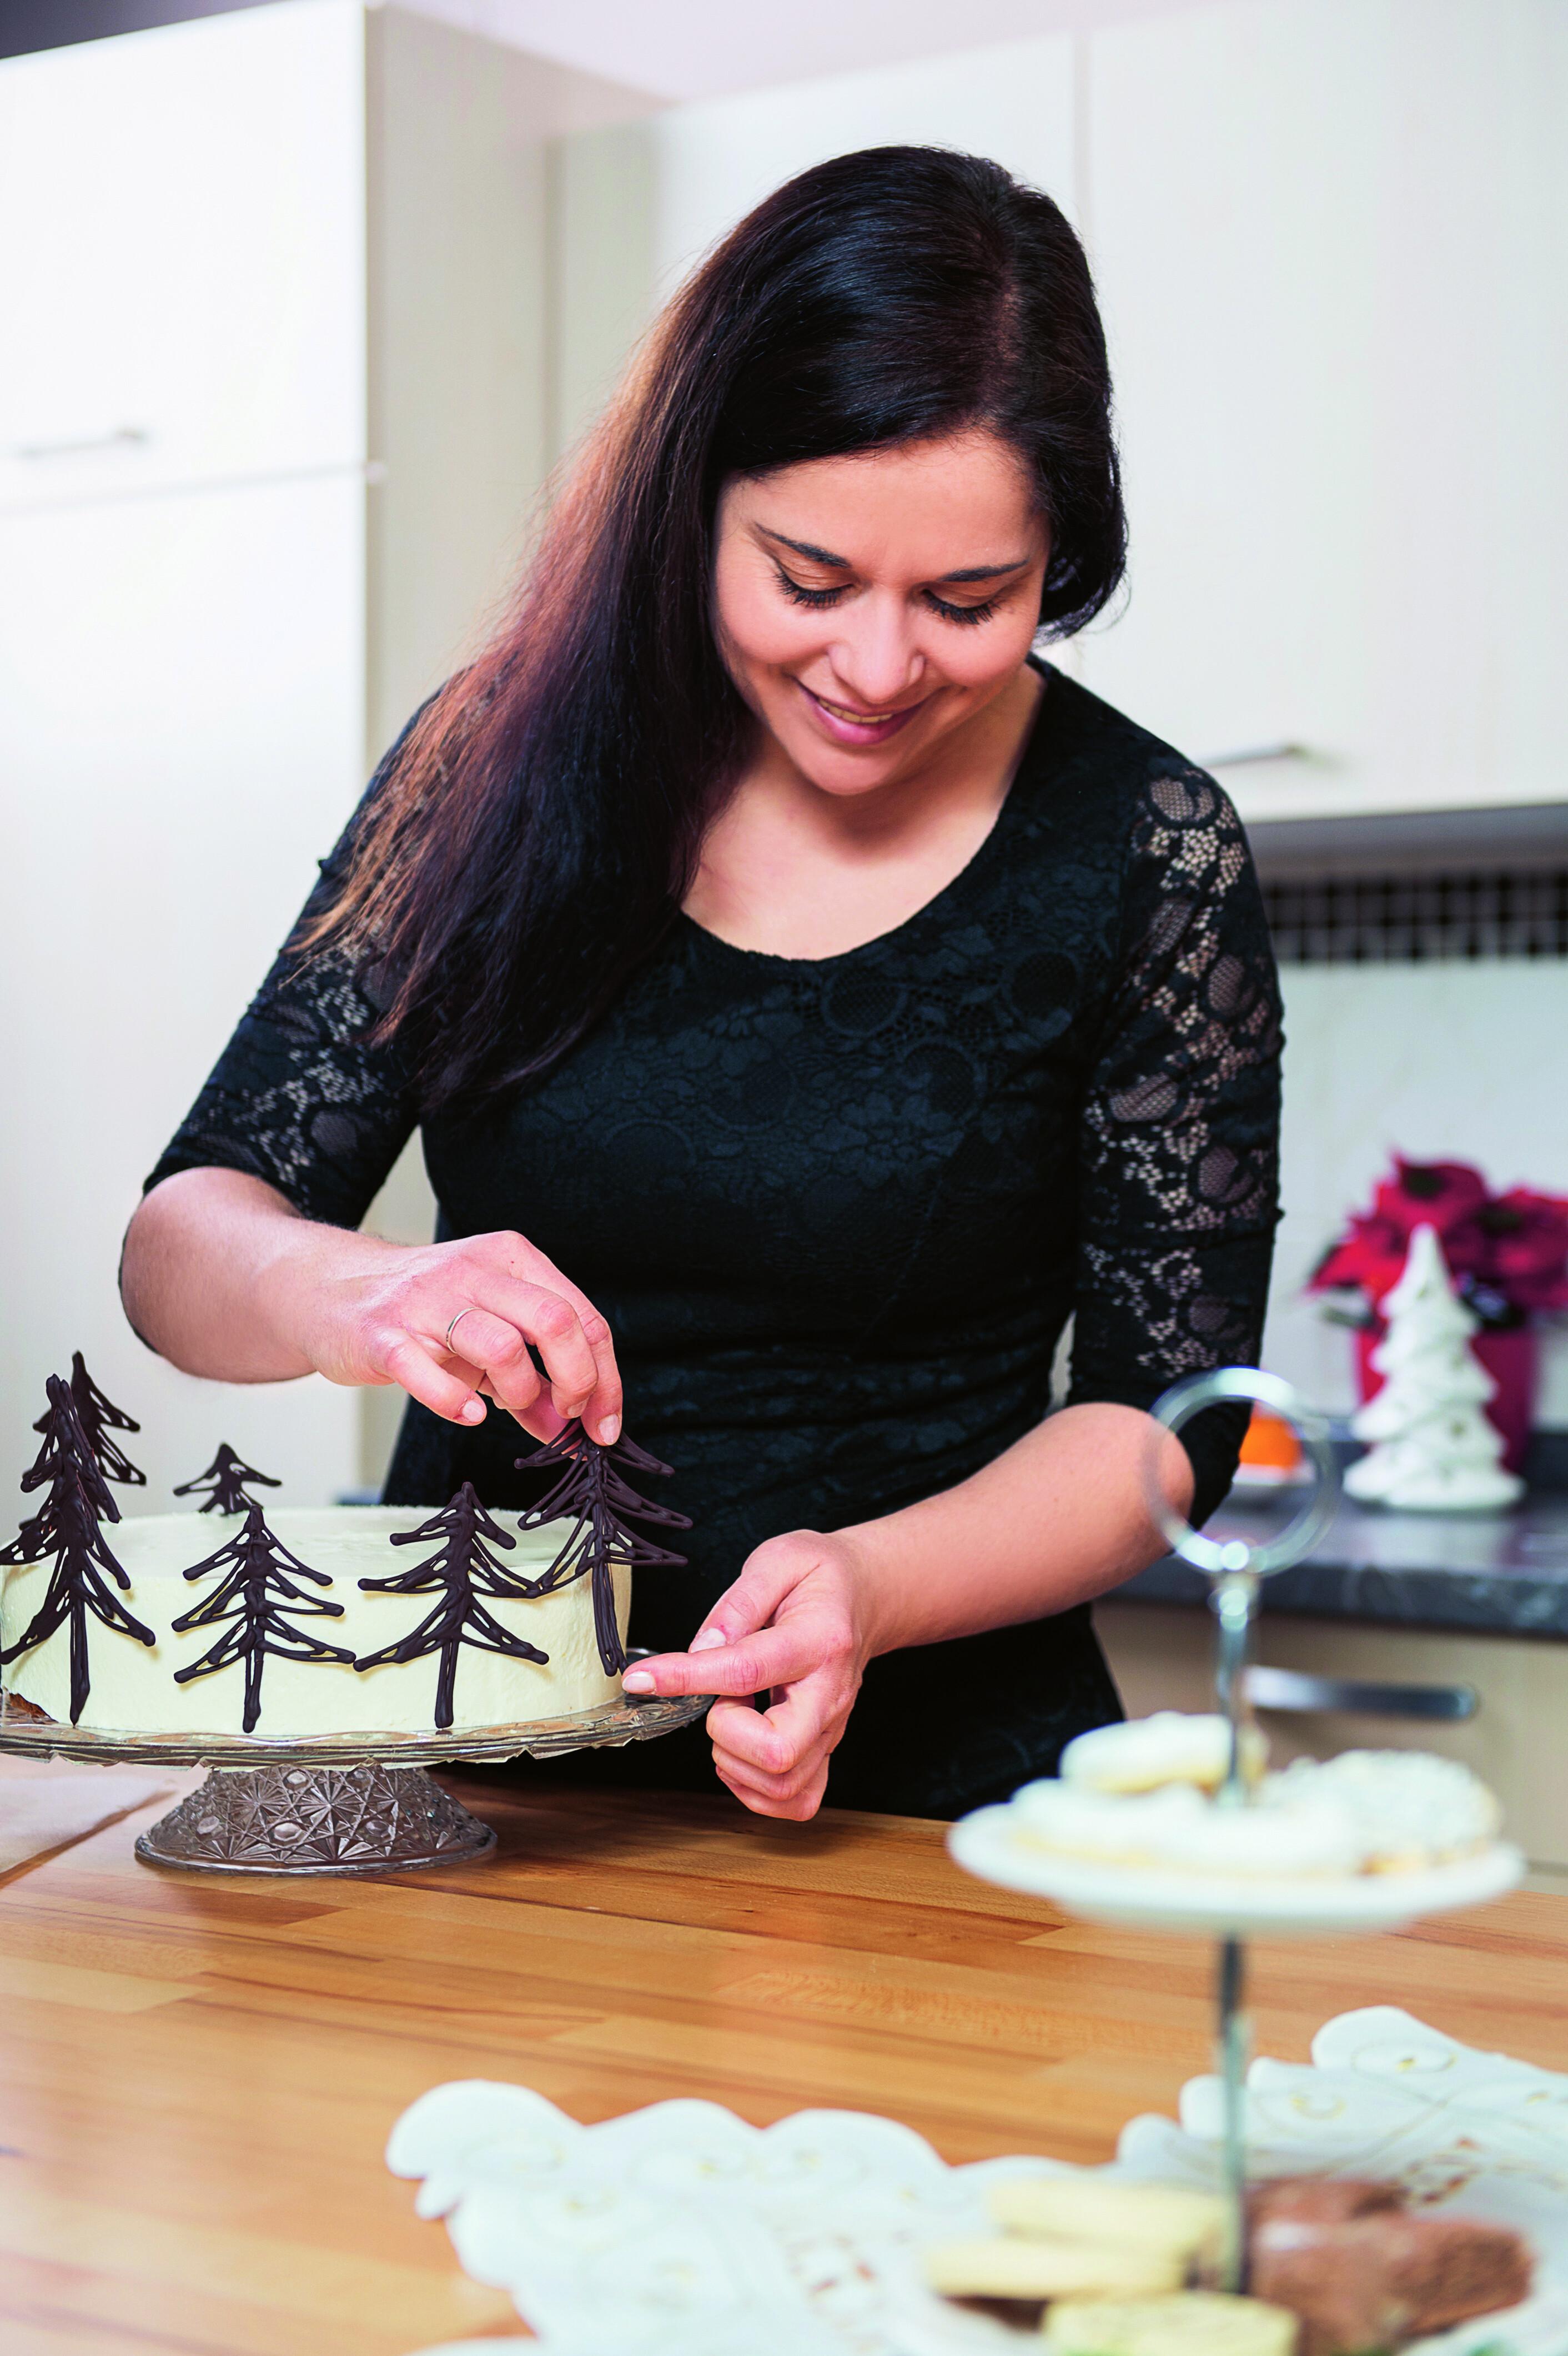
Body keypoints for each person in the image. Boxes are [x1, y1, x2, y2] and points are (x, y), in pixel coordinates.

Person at [121, 147, 1281, 1823]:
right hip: (470, 1763)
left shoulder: (1146, 848)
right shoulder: (495, 760)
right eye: (809, 580)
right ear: (691, 506)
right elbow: (181, 1245)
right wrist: (352, 1292)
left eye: (969, 602)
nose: (877, 667)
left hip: (925, 1798)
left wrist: (871, 1584)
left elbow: (1167, 1426)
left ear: (1059, 561)